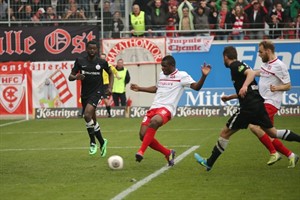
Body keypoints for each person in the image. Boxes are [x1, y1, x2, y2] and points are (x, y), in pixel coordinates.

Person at [194, 46, 300, 171]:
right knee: (273, 132)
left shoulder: (235, 66)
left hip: (248, 107)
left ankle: (209, 162)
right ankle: (290, 150)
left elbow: (250, 75)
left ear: (225, 57)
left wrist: (244, 86)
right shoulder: (241, 66)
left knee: (225, 132)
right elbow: (250, 86)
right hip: (258, 105)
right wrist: (231, 97)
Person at [221, 41, 299, 168]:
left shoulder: (280, 66)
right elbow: (251, 78)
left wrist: (277, 88)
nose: (259, 55)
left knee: (254, 127)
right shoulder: (266, 66)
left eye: (261, 52)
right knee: (271, 134)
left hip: (270, 103)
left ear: (268, 51)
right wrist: (231, 96)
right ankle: (291, 155)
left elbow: (288, 85)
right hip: (261, 102)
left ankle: (274, 153)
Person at [130, 55, 211, 166]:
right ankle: (168, 153)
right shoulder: (162, 75)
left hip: (167, 109)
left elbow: (196, 87)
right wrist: (140, 88)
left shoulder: (182, 76)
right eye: (162, 66)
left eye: (165, 66)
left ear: (172, 66)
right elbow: (157, 88)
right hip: (154, 107)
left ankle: (141, 151)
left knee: (154, 122)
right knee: (143, 135)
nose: (162, 69)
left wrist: (203, 76)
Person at [68, 40, 113, 156]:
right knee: (93, 120)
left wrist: (110, 87)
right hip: (85, 94)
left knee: (87, 115)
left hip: (97, 92)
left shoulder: (102, 62)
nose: (92, 50)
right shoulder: (80, 61)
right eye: (90, 49)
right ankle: (102, 142)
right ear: (86, 49)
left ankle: (92, 142)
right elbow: (70, 77)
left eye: (94, 49)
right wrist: (76, 77)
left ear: (97, 50)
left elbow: (111, 73)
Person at [100, 53, 121, 117]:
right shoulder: (98, 65)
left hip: (105, 85)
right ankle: (84, 113)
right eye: (101, 58)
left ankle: (109, 114)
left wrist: (117, 76)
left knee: (106, 100)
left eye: (104, 58)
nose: (103, 59)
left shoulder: (109, 65)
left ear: (105, 58)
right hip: (97, 84)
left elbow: (114, 71)